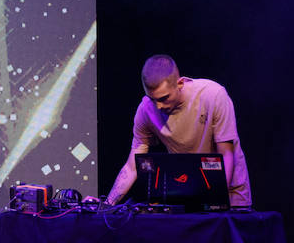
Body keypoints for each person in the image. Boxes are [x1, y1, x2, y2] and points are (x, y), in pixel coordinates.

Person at [105, 55, 251, 207]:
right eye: (152, 99)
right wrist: (107, 205)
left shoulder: (213, 95)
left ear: (180, 83)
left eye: (164, 98)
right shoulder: (146, 110)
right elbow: (132, 166)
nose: (158, 106)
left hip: (228, 192)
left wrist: (214, 201)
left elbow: (226, 154)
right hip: (187, 190)